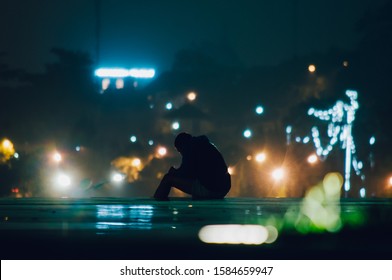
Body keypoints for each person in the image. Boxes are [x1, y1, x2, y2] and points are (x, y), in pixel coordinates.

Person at [154, 132, 231, 200]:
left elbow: (186, 173)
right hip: (222, 188)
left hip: (212, 189)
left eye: (180, 151)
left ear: (182, 146)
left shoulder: (190, 149)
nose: (181, 154)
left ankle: (157, 203)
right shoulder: (204, 145)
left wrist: (174, 172)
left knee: (168, 179)